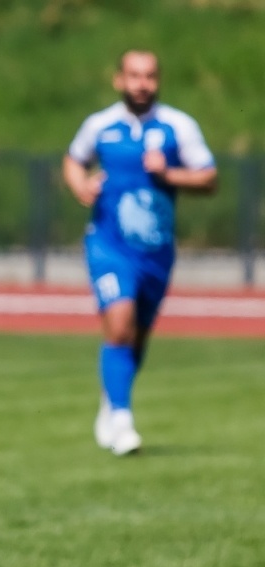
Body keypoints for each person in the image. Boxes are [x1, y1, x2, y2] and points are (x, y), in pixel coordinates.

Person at [62, 50, 216, 456]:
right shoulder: (100, 125)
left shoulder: (178, 126)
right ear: (119, 80)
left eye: (149, 76)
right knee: (119, 325)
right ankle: (122, 420)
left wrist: (169, 173)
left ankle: (112, 400)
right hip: (108, 245)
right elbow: (73, 161)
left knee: (137, 337)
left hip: (156, 252)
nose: (141, 84)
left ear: (158, 81)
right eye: (134, 76)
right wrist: (80, 186)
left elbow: (208, 177)